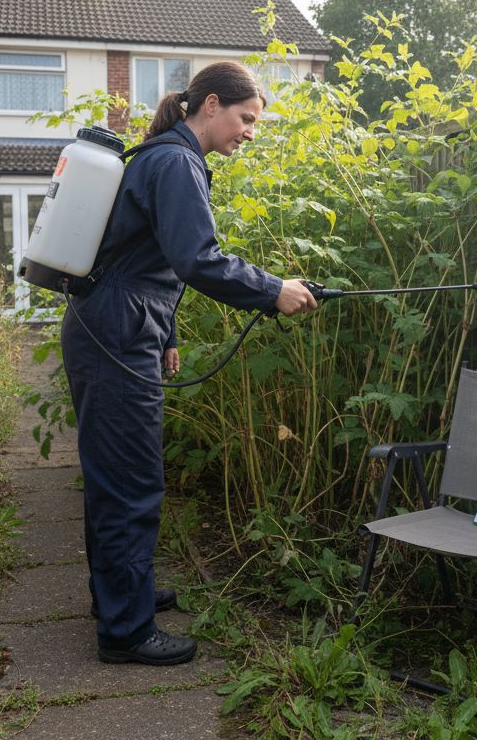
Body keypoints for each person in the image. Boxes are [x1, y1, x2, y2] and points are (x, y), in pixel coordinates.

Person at [62, 61, 318, 666]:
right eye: (246, 118)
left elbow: (144, 258)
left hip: (115, 324)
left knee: (112, 473)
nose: (250, 131)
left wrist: (168, 332)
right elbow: (198, 259)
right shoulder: (175, 162)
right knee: (130, 481)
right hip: (117, 334)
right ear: (209, 104)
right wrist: (273, 290)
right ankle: (126, 632)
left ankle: (121, 594)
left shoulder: (165, 156)